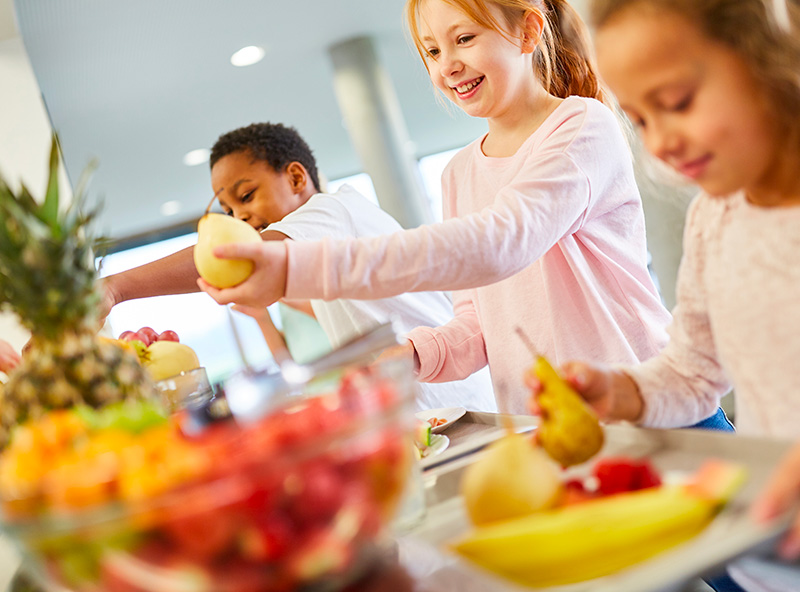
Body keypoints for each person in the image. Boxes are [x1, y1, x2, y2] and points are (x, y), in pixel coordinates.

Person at [196, 0, 695, 420]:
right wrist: (415, 353)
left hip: (647, 412)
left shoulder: (582, 125)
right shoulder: (458, 174)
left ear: (527, 31)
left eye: (464, 39)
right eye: (432, 50)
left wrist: (293, 267)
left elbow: (500, 244)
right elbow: (480, 322)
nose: (446, 65)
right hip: (550, 432)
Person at [101, 122, 496, 412]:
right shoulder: (325, 236)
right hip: (428, 404)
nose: (241, 218)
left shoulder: (329, 210)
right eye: (230, 211)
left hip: (452, 401)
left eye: (247, 196)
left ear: (295, 178)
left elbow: (243, 256)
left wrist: (117, 287)